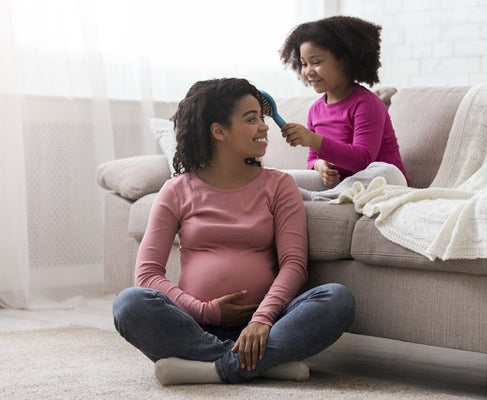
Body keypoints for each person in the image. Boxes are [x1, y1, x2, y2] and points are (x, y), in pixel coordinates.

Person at [112, 78, 355, 385]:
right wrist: (207, 311)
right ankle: (262, 364)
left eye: (261, 118)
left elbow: (294, 265)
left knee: (337, 299)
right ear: (219, 131)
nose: (264, 128)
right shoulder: (176, 190)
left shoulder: (279, 185)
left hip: (266, 326)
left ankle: (211, 369)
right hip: (192, 325)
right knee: (129, 303)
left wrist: (261, 320)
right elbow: (147, 276)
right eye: (251, 119)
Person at [279, 16, 408, 197]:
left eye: (316, 62)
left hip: (378, 182)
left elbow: (362, 160)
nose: (308, 71)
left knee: (387, 172)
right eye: (304, 63)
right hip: (341, 183)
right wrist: (319, 166)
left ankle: (318, 197)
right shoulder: (315, 110)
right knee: (277, 178)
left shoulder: (366, 104)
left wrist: (312, 139)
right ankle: (329, 196)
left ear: (344, 60)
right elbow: (311, 160)